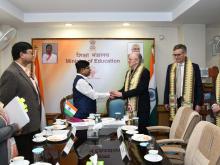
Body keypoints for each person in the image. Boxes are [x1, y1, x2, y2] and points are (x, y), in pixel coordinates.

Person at [0, 42, 42, 162]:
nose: (33, 55)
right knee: (26, 159)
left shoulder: (25, 71)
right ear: (21, 54)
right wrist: (13, 126)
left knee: (33, 159)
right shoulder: (11, 73)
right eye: (30, 52)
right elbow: (3, 102)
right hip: (22, 129)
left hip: (32, 126)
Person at [110, 52, 150, 131]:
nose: (128, 61)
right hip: (130, 107)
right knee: (130, 130)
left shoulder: (145, 72)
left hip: (141, 107)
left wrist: (122, 94)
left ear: (137, 60)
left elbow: (140, 90)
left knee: (141, 130)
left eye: (130, 59)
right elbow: (125, 88)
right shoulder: (128, 72)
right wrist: (115, 94)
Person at [164, 44, 203, 116]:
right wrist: (166, 101)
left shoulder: (194, 67)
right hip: (175, 100)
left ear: (184, 54)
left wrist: (198, 103)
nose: (176, 57)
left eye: (178, 54)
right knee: (175, 123)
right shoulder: (170, 67)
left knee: (189, 123)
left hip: (190, 100)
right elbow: (167, 85)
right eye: (174, 55)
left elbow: (199, 86)